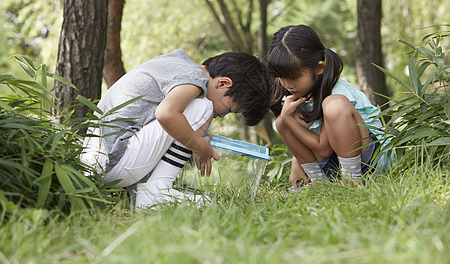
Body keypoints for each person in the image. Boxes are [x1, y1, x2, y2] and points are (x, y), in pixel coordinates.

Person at [81, 49, 272, 209]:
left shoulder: (179, 66)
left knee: (196, 112)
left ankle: (147, 191)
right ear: (223, 83)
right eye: (229, 109)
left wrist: (192, 138)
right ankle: (156, 193)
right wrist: (200, 145)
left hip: (101, 164)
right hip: (113, 161)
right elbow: (166, 114)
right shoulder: (194, 78)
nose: (223, 115)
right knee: (203, 107)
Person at [268, 24, 392, 192]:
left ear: (319, 68)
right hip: (338, 160)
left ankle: (352, 181)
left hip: (371, 158)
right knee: (282, 122)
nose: (288, 84)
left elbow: (323, 148)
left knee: (331, 106)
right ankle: (321, 184)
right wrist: (296, 159)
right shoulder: (300, 95)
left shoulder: (336, 92)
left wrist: (289, 120)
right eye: (281, 77)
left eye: (294, 77)